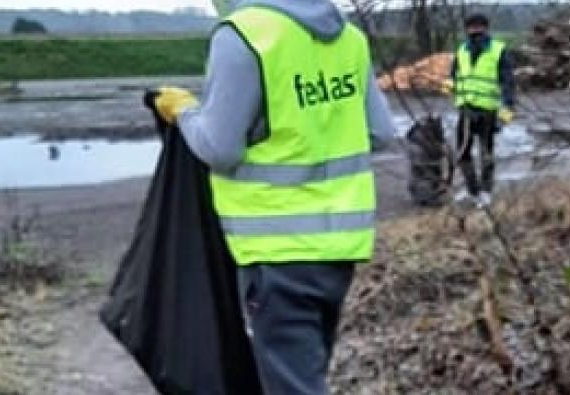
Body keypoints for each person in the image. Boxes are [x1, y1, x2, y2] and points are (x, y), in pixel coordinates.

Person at [149, 0, 396, 393]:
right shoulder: (348, 37)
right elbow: (380, 132)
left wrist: (184, 111)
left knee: (293, 386)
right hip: (340, 245)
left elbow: (219, 148)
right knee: (304, 375)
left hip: (277, 250)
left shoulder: (244, 36)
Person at [442, 14, 516, 207]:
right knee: (463, 153)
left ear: (486, 28)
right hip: (466, 109)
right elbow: (454, 74)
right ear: (467, 30)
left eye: (478, 27)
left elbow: (508, 82)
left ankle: (486, 191)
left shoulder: (498, 50)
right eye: (472, 27)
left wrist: (507, 110)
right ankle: (472, 190)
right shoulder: (462, 50)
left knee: (486, 153)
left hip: (487, 111)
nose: (475, 31)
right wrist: (448, 86)